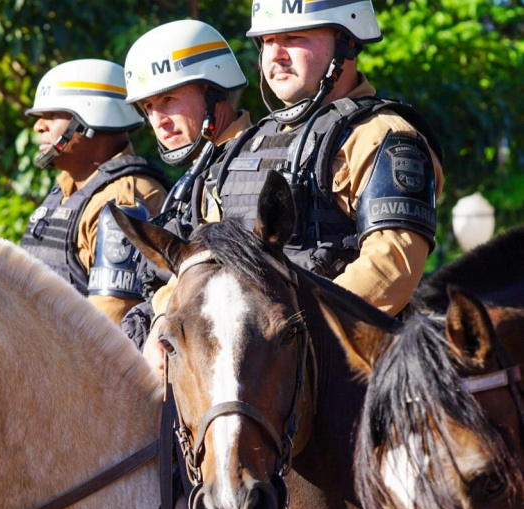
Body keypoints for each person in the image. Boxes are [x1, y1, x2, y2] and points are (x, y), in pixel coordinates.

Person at [146, 0, 444, 354]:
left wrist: (296, 332)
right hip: (247, 364)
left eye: (292, 37)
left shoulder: (383, 135)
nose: (275, 55)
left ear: (346, 42)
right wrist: (166, 320)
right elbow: (203, 261)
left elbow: (392, 266)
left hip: (340, 367)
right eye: (267, 41)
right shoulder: (243, 145)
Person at [120, 20, 251, 348]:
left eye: (168, 100)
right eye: (148, 107)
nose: (158, 120)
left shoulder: (251, 164)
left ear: (213, 89)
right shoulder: (201, 174)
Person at [20, 59, 169, 327]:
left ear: (93, 116)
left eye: (53, 115)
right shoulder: (66, 190)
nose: (38, 126)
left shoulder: (125, 199)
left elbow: (109, 329)